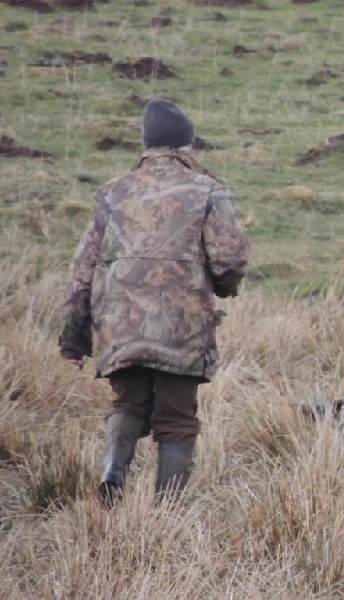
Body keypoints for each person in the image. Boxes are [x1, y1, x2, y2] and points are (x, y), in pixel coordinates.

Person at [59, 99, 250, 508]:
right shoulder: (208, 191)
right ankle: (168, 514)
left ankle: (112, 475)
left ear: (147, 144)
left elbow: (82, 272)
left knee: (127, 403)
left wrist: (73, 340)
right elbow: (230, 258)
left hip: (119, 325)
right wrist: (225, 287)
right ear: (187, 144)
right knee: (177, 418)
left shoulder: (112, 193)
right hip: (181, 328)